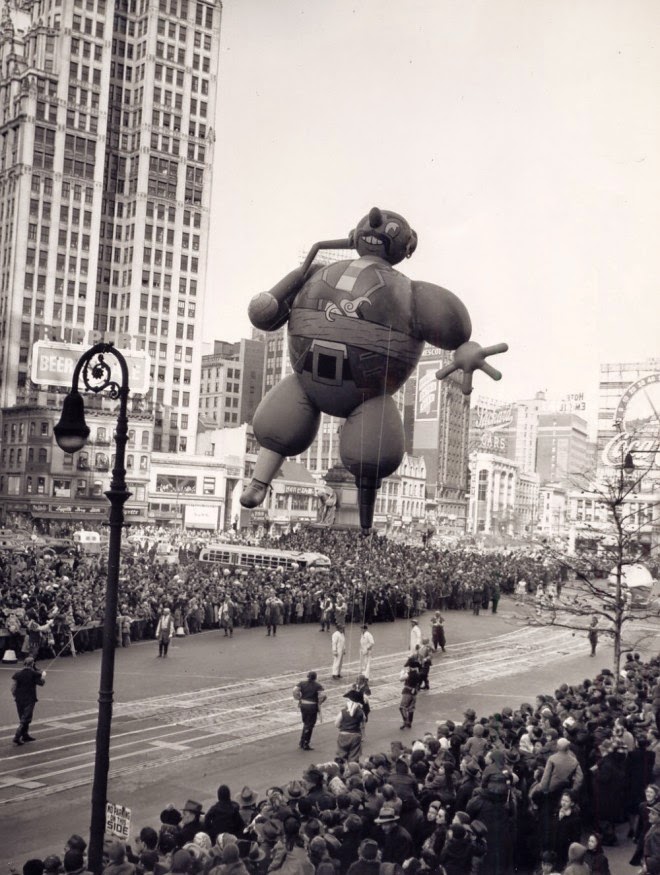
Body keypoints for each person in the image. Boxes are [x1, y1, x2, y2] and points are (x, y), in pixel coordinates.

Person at [11, 655, 46, 745]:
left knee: (22, 716)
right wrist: (43, 676)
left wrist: (15, 695)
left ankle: (25, 735)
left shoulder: (17, 674)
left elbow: (13, 688)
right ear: (32, 664)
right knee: (26, 718)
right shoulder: (34, 674)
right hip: (30, 698)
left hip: (18, 699)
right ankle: (17, 736)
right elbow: (41, 683)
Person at [293, 670, 326, 751]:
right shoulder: (318, 685)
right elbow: (323, 695)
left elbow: (294, 690)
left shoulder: (301, 683)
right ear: (315, 677)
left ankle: (302, 741)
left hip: (303, 705)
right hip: (312, 706)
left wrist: (298, 698)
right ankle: (305, 743)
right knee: (310, 725)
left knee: (306, 723)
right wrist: (320, 702)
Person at [335, 689, 365, 762]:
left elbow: (336, 724)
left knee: (341, 757)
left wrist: (343, 727)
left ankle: (341, 769)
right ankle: (352, 770)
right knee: (354, 757)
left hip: (343, 735)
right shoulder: (361, 712)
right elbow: (362, 724)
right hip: (355, 735)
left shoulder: (343, 712)